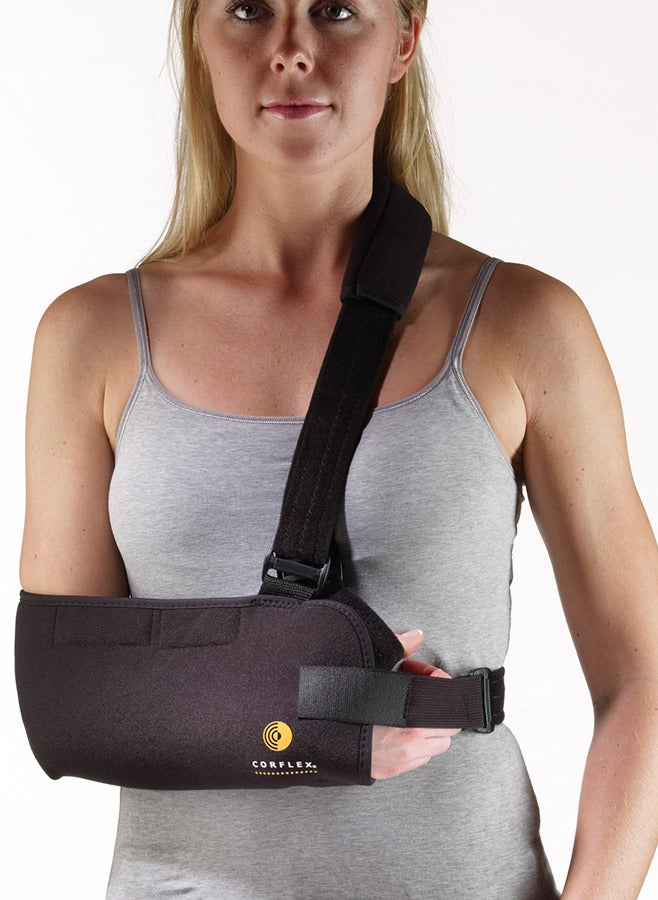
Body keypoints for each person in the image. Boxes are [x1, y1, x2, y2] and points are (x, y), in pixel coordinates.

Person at [19, 0, 658, 897]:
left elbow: (645, 678)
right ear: (199, 36)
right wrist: (309, 724)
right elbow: (71, 701)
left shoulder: (523, 326)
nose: (291, 50)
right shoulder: (92, 338)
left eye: (336, 11)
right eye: (248, 10)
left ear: (404, 38)